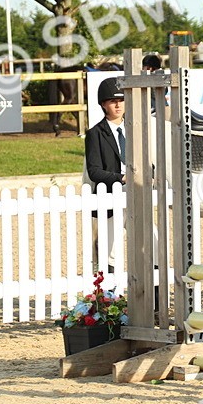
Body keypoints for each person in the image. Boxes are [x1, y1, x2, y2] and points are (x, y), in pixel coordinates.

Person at [85, 77, 126, 271]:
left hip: (136, 196)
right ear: (103, 104)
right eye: (112, 101)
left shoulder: (136, 128)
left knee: (152, 241)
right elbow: (94, 171)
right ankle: (110, 297)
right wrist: (121, 178)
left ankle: (157, 297)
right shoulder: (95, 134)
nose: (118, 104)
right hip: (111, 197)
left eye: (121, 100)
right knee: (111, 251)